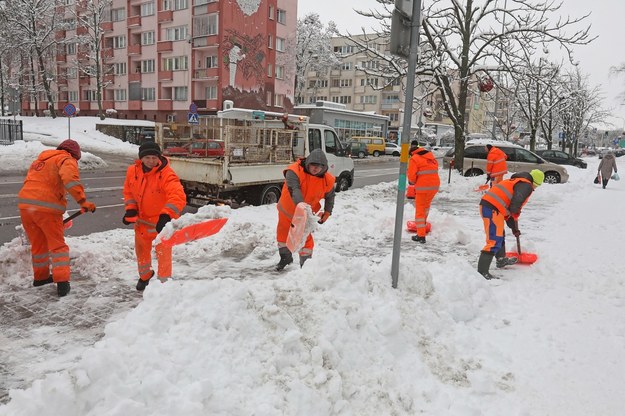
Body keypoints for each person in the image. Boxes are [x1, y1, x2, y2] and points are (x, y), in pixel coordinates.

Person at [17, 139, 96, 297]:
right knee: (58, 246)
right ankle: (62, 282)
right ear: (74, 155)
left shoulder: (41, 161)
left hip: (26, 206)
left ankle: (41, 277)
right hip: (46, 208)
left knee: (39, 245)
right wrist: (83, 201)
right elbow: (70, 180)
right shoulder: (66, 159)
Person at [122, 142, 186, 291]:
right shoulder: (133, 171)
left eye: (154, 157)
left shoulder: (166, 174)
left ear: (159, 157)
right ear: (141, 158)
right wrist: (130, 210)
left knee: (163, 254)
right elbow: (129, 192)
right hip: (142, 222)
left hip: (160, 224)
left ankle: (164, 284)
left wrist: (166, 216)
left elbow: (178, 195)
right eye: (147, 157)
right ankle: (145, 276)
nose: (151, 161)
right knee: (141, 252)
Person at [477, 169, 544, 280]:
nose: (534, 189)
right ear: (535, 183)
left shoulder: (518, 181)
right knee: (494, 240)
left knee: (500, 234)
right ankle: (482, 272)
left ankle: (501, 259)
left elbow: (509, 209)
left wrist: (514, 228)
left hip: (494, 207)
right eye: (536, 186)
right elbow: (516, 203)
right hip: (491, 208)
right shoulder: (526, 185)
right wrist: (515, 212)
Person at [275, 149, 335, 270]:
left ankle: (306, 265)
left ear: (324, 167)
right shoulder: (294, 171)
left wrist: (327, 211)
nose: (315, 168)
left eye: (319, 166)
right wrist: (301, 206)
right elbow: (294, 189)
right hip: (287, 210)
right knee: (283, 234)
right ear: (308, 163)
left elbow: (330, 196)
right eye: (313, 165)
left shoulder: (327, 180)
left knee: (305, 238)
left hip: (304, 214)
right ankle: (285, 257)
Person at [407, 142, 440, 243]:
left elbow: (412, 177)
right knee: (425, 207)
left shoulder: (414, 158)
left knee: (420, 210)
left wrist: (412, 181)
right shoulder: (431, 157)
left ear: (412, 153)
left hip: (423, 187)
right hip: (434, 186)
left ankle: (421, 235)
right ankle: (423, 225)